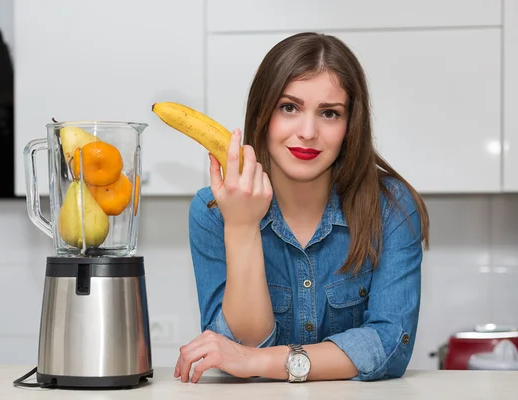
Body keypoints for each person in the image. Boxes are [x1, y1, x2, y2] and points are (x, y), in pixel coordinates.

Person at [174, 31, 430, 384]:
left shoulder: (391, 207)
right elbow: (241, 344)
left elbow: (388, 343)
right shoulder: (213, 210)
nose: (308, 132)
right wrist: (241, 226)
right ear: (263, 113)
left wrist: (270, 363)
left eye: (329, 113)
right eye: (289, 107)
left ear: (349, 126)